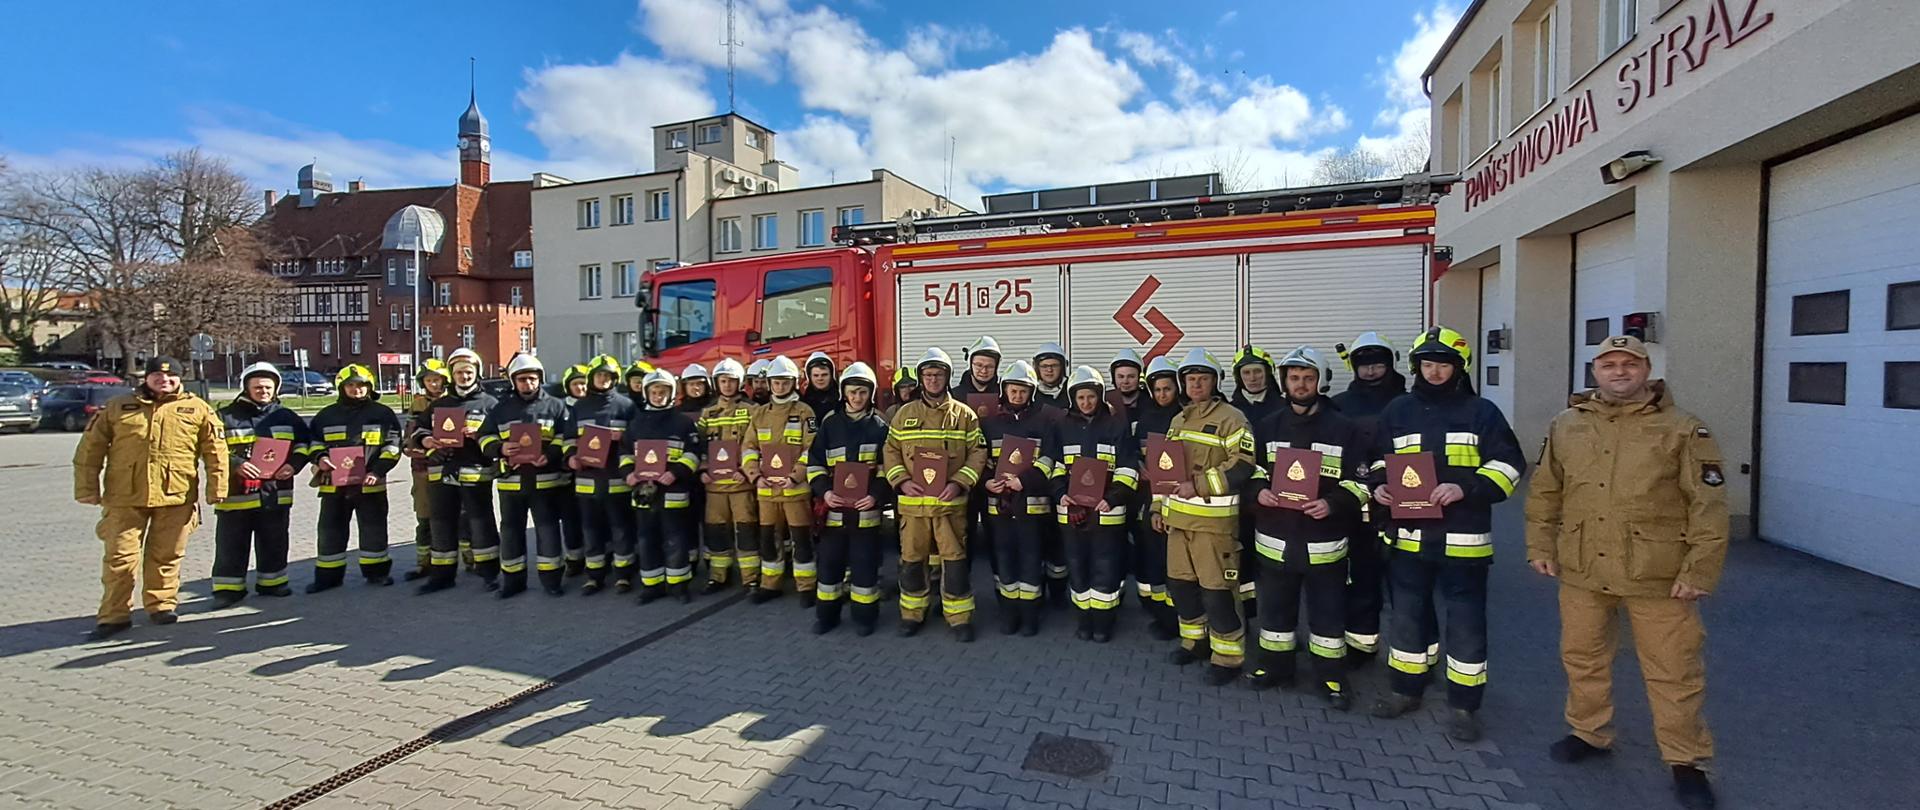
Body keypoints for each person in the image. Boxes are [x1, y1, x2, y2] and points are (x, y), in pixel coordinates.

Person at [1525, 335, 1728, 810]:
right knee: (1583, 656)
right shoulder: (1566, 425)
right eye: (1608, 364)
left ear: (1646, 370)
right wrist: (1540, 544)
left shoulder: (1682, 428)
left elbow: (1709, 505)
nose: (1619, 372)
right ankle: (1589, 732)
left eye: (1628, 365)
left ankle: (1687, 761)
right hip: (1581, 566)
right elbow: (1545, 491)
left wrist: (1699, 569)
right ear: (1594, 371)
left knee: (1674, 670)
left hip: (1657, 572)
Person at [1368, 327, 1525, 743]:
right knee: (1407, 620)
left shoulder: (1482, 412)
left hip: (1464, 541)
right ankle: (1406, 690)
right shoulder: (1397, 411)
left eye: (1444, 364)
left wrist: (1466, 488)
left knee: (1467, 626)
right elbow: (1377, 461)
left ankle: (1464, 706)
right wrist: (1379, 487)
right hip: (1409, 538)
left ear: (1458, 368)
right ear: (1416, 366)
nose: (1435, 372)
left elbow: (1510, 467)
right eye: (1428, 364)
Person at [1244, 347, 1372, 711]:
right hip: (1275, 539)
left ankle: (1331, 676)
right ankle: (1274, 668)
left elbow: (1362, 481)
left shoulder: (1344, 429)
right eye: (1294, 378)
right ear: (1284, 382)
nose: (1301, 385)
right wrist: (1260, 492)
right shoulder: (1267, 426)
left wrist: (1333, 504)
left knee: (1328, 615)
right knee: (1275, 614)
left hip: (1324, 541)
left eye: (1308, 378)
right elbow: (1250, 471)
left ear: (1321, 381)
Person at [72, 356, 227, 639]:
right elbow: (89, 451)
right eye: (157, 376)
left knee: (167, 555)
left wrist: (217, 489)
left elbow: (216, 453)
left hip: (176, 496)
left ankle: (161, 605)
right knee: (120, 558)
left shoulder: (197, 409)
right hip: (125, 498)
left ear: (181, 379)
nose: (164, 380)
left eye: (171, 377)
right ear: (147, 378)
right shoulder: (118, 408)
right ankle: (114, 615)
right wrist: (87, 489)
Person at [1158, 347, 1254, 685]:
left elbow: (1243, 465)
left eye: (1202, 378)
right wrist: (1158, 506)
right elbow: (1163, 468)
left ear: (1215, 381)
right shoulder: (1178, 419)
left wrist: (1198, 485)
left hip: (1213, 526)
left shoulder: (1233, 417)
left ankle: (1227, 658)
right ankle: (1194, 642)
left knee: (1218, 592)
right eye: (1190, 379)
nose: (1195, 384)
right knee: (1182, 587)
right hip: (1178, 523)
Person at [883, 347, 988, 641]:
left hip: (949, 505)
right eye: (927, 375)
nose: (932, 380)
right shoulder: (904, 414)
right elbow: (890, 452)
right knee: (912, 560)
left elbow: (978, 452)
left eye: (938, 375)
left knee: (954, 561)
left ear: (947, 378)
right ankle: (912, 614)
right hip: (913, 506)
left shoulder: (964, 415)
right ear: (920, 379)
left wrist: (958, 482)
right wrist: (902, 481)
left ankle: (959, 617)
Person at [1330, 332, 1407, 666]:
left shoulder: (1408, 403)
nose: (1372, 371)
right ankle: (1362, 646)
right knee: (1360, 577)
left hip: (1405, 505)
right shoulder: (1341, 404)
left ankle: (1416, 656)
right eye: (1365, 365)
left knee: (1407, 588)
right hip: (1356, 506)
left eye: (1378, 364)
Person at [1049, 365, 1140, 644]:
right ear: (1072, 398)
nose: (1086, 402)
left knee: (1106, 568)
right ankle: (1083, 621)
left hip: (1107, 512)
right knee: (1077, 566)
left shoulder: (1116, 425)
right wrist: (1059, 493)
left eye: (1091, 397)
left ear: (1099, 396)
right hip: (1071, 511)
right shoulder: (1061, 427)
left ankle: (1103, 623)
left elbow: (1128, 468)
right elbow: (1052, 465)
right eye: (1081, 397)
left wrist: (1111, 498)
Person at [209, 362, 310, 608]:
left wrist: (294, 466)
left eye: (267, 387)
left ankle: (272, 583)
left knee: (274, 540)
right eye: (257, 387)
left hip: (275, 492)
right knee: (231, 543)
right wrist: (236, 464)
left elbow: (304, 445)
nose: (262, 391)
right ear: (246, 387)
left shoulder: (287, 417)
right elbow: (212, 449)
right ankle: (228, 590)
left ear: (275, 388)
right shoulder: (225, 416)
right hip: (236, 493)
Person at [805, 362, 892, 635]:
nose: (857, 398)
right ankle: (827, 616)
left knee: (865, 568)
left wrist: (876, 496)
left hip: (865, 514)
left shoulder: (880, 427)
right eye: (853, 392)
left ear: (871, 394)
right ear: (844, 393)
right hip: (833, 511)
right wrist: (824, 492)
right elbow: (815, 463)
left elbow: (888, 468)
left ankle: (865, 617)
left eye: (863, 393)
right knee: (829, 567)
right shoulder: (830, 425)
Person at [479, 354, 572, 597]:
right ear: (513, 381)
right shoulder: (501, 409)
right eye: (522, 379)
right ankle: (512, 581)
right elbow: (484, 436)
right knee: (510, 532)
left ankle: (552, 580)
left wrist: (550, 454)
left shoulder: (555, 406)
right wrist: (500, 448)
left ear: (539, 379)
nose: (527, 384)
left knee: (547, 530)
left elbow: (567, 437)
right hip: (511, 482)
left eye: (532, 379)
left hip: (545, 481)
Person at [305, 363, 404, 592]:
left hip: (370, 483)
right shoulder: (326, 415)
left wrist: (378, 471)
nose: (356, 389)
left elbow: (392, 445)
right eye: (351, 385)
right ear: (341, 387)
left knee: (374, 529)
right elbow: (314, 442)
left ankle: (376, 573)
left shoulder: (382, 414)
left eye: (361, 385)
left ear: (369, 387)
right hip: (333, 485)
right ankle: (328, 577)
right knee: (330, 530)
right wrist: (320, 458)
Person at [412, 348, 503, 593]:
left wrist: (480, 436)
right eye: (459, 372)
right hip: (442, 473)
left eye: (468, 372)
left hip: (476, 473)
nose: (464, 376)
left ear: (477, 373)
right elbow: (418, 431)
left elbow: (501, 436)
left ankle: (489, 574)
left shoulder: (490, 404)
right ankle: (442, 575)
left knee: (481, 523)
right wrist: (426, 441)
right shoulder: (440, 404)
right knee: (441, 524)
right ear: (452, 375)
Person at [979, 360, 1053, 636]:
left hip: (1032, 507)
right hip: (998, 507)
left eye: (1023, 391)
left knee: (1032, 560)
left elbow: (1049, 460)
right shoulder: (989, 425)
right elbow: (981, 461)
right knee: (1004, 561)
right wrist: (987, 482)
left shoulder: (1045, 423)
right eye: (1013, 390)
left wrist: (1025, 481)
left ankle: (1030, 615)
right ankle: (1009, 614)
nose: (1018, 395)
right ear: (1004, 391)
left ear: (1031, 393)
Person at [742, 355, 817, 604]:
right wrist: (755, 476)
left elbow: (811, 449)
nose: (780, 387)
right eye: (776, 382)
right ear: (770, 383)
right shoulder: (760, 414)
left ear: (794, 383)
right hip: (766, 490)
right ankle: (770, 584)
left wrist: (795, 476)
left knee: (801, 538)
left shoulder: (805, 412)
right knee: (769, 539)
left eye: (785, 382)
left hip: (795, 490)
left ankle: (806, 586)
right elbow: (749, 448)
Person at [627, 368, 702, 604]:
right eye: (654, 391)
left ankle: (678, 585)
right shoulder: (636, 424)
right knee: (647, 539)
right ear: (647, 393)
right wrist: (627, 474)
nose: (658, 395)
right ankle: (652, 585)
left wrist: (676, 472)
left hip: (674, 491)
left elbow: (694, 454)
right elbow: (625, 454)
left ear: (671, 393)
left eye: (663, 391)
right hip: (644, 493)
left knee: (675, 540)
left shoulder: (683, 423)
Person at [564, 355, 638, 594]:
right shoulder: (580, 407)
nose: (603, 379)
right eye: (599, 375)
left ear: (614, 378)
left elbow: (640, 440)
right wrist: (571, 457)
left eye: (607, 376)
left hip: (617, 479)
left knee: (621, 529)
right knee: (591, 530)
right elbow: (568, 439)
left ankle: (623, 575)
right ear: (592, 378)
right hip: (587, 481)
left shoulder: (626, 406)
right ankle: (594, 576)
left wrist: (623, 438)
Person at [1130, 355, 1184, 639]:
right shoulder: (1145, 417)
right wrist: (1138, 465)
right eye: (1158, 389)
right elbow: (1132, 450)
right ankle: (1155, 608)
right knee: (1150, 552)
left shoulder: (1185, 416)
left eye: (1168, 388)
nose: (1163, 394)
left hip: (1178, 497)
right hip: (1148, 497)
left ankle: (1176, 615)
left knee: (1174, 557)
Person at [698, 358, 757, 594]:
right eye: (723, 381)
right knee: (716, 530)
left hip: (741, 484)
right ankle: (718, 576)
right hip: (714, 487)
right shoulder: (708, 413)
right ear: (716, 383)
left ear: (740, 383)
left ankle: (751, 577)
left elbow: (757, 445)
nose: (728, 385)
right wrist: (702, 471)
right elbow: (699, 445)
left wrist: (746, 471)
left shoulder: (752, 411)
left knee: (746, 530)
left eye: (732, 381)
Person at [1229, 345, 1280, 616]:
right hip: (1242, 497)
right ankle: (1247, 613)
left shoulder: (1283, 407)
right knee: (1244, 556)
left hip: (1277, 496)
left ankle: (1276, 617)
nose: (1252, 378)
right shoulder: (1229, 410)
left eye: (1257, 372)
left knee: (1274, 563)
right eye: (1246, 373)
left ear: (1267, 374)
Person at [401, 360, 454, 582]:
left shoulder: (453, 402)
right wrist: (407, 446)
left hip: (450, 463)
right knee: (425, 515)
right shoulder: (418, 404)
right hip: (423, 467)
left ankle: (471, 560)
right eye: (429, 380)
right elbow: (410, 431)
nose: (433, 383)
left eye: (437, 379)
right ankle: (424, 562)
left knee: (459, 514)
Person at [554, 364, 592, 577]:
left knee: (592, 519)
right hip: (567, 475)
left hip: (592, 472)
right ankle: (575, 559)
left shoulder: (593, 406)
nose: (581, 387)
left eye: (584, 383)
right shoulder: (561, 409)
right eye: (576, 384)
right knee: (570, 519)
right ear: (568, 386)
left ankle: (595, 558)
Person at [801, 351, 840, 422]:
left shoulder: (841, 400)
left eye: (824, 375)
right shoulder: (803, 402)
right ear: (809, 377)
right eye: (816, 375)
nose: (820, 379)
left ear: (832, 375)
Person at [1031, 342, 1069, 410]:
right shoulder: (1030, 392)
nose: (1049, 370)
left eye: (1054, 365)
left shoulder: (1072, 391)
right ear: (1037, 368)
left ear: (1062, 367)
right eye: (1044, 366)